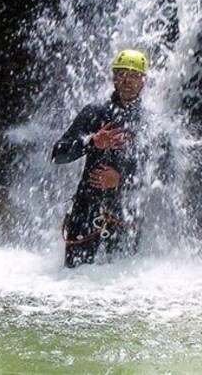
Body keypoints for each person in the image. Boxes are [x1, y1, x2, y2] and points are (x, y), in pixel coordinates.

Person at [51, 49, 148, 268]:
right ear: (114, 77)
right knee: (74, 281)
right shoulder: (95, 113)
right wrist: (91, 142)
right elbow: (58, 154)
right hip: (86, 212)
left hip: (125, 217)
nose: (127, 80)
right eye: (122, 73)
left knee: (122, 289)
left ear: (143, 81)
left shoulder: (150, 122)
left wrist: (121, 179)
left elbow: (165, 175)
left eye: (134, 75)